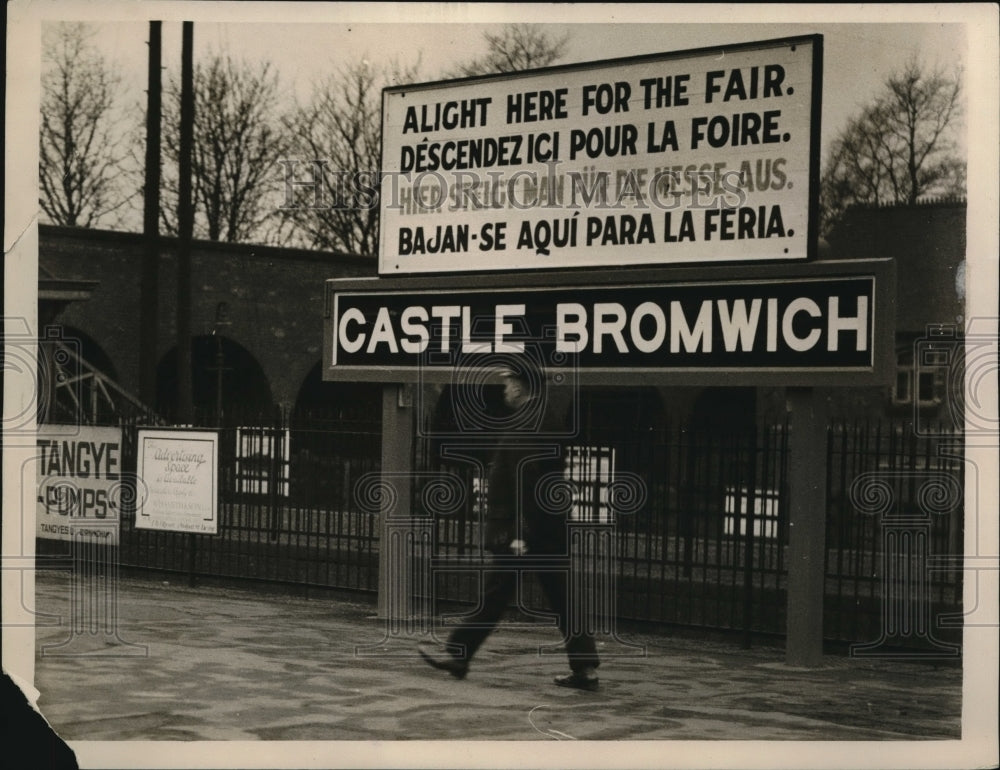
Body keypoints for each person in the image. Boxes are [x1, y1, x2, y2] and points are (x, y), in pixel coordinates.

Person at [418, 362, 601, 691]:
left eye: (508, 384)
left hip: (527, 531)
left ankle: (459, 656)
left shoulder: (530, 421)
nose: (505, 389)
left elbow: (526, 480)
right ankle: (585, 668)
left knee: (495, 595)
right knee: (561, 600)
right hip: (545, 529)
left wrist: (519, 533)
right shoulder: (542, 417)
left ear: (520, 387)